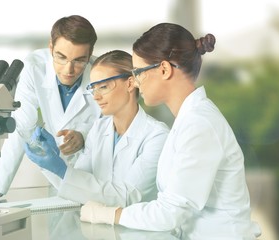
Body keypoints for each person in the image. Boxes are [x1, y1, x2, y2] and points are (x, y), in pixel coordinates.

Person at [80, 23, 262, 239]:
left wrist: (108, 214)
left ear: (164, 69)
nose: (136, 82)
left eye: (138, 72)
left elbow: (169, 213)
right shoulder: (189, 119)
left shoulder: (199, 124)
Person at [0, 15, 101, 205]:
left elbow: (114, 124)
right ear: (51, 47)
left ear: (90, 55)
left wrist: (84, 136)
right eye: (61, 57)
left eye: (79, 60)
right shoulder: (34, 66)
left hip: (98, 175)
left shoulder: (102, 73)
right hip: (57, 176)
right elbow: (21, 127)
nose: (68, 69)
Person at [25, 50, 169, 207]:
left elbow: (127, 195)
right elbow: (78, 188)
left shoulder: (157, 136)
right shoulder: (99, 128)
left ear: (130, 83)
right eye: (94, 88)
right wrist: (52, 162)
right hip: (96, 225)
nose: (95, 96)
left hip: (138, 228)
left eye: (104, 87)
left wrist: (60, 169)